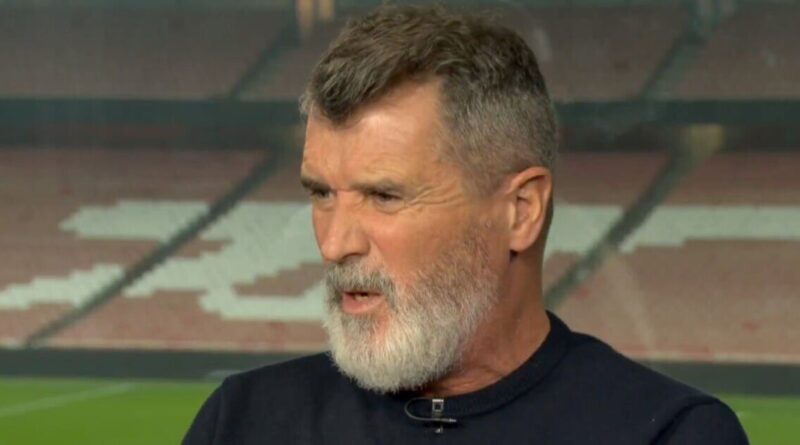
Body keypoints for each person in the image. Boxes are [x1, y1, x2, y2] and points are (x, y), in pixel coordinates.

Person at [183, 5, 748, 444]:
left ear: (521, 211)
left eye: (384, 196)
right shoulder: (241, 423)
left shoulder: (669, 435)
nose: (334, 244)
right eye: (322, 194)